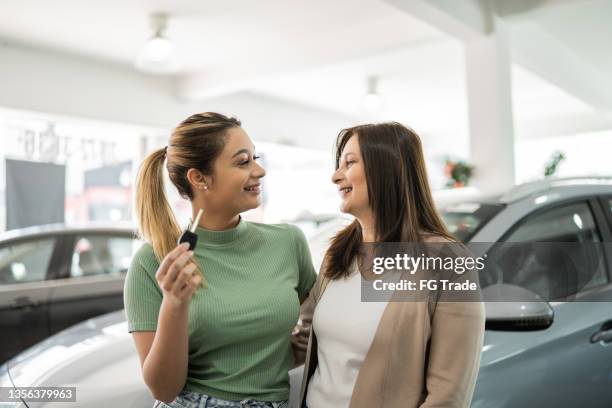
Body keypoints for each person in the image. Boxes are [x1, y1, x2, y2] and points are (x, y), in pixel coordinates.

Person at [123, 112, 317, 408]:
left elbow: (317, 322)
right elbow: (163, 389)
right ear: (199, 178)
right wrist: (175, 303)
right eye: (243, 162)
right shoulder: (153, 262)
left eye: (256, 158)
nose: (260, 171)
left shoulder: (289, 242)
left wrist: (301, 345)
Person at [298, 122, 486, 408]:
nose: (336, 177)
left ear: (386, 170)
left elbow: (448, 397)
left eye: (349, 163)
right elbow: (302, 343)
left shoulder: (447, 262)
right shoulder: (337, 254)